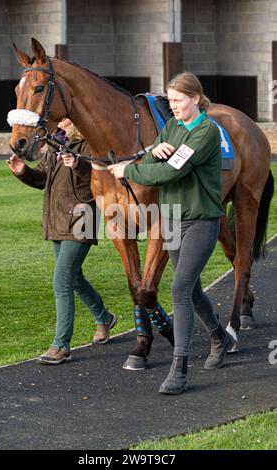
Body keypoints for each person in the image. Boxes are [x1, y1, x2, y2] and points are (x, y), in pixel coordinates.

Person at [109, 72, 234, 394]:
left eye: (178, 100)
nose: (173, 106)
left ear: (196, 98)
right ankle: (219, 336)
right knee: (190, 290)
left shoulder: (205, 131)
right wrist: (154, 150)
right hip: (173, 219)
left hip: (201, 220)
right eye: (170, 100)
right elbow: (153, 154)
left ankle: (180, 369)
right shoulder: (173, 126)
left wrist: (129, 169)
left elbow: (169, 171)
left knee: (179, 289)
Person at [8, 118, 117, 365]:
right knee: (74, 278)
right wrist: (22, 171)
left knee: (62, 281)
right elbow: (42, 179)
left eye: (65, 116)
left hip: (81, 219)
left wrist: (78, 165)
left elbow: (98, 180)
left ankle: (61, 345)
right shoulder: (56, 142)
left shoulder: (89, 142)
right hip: (57, 219)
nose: (59, 119)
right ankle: (104, 318)